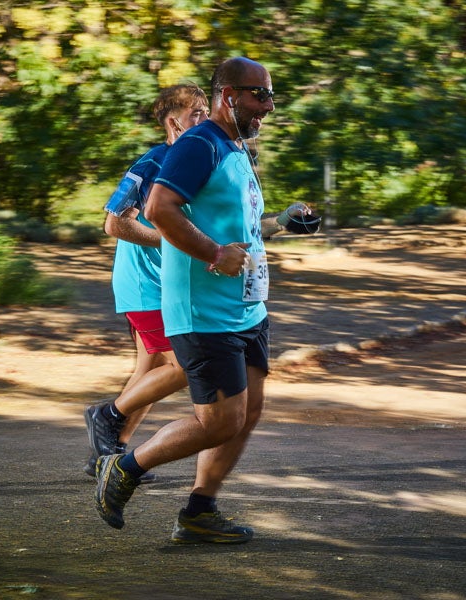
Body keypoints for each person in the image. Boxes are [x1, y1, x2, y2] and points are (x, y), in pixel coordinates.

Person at [94, 57, 307, 544]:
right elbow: (157, 208)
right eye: (260, 95)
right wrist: (212, 253)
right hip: (204, 312)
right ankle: (124, 468)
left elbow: (241, 227)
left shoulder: (236, 147)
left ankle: (198, 512)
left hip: (246, 308)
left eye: (271, 95)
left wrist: (285, 222)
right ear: (228, 96)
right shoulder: (199, 143)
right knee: (219, 422)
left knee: (247, 413)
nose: (268, 107)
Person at [82, 84, 209, 478]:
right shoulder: (156, 160)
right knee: (185, 368)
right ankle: (105, 414)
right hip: (145, 287)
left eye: (207, 112)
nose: (205, 121)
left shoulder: (195, 161)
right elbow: (115, 223)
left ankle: (108, 455)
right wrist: (174, 240)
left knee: (148, 370)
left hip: (162, 285)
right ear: (174, 123)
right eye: (197, 115)